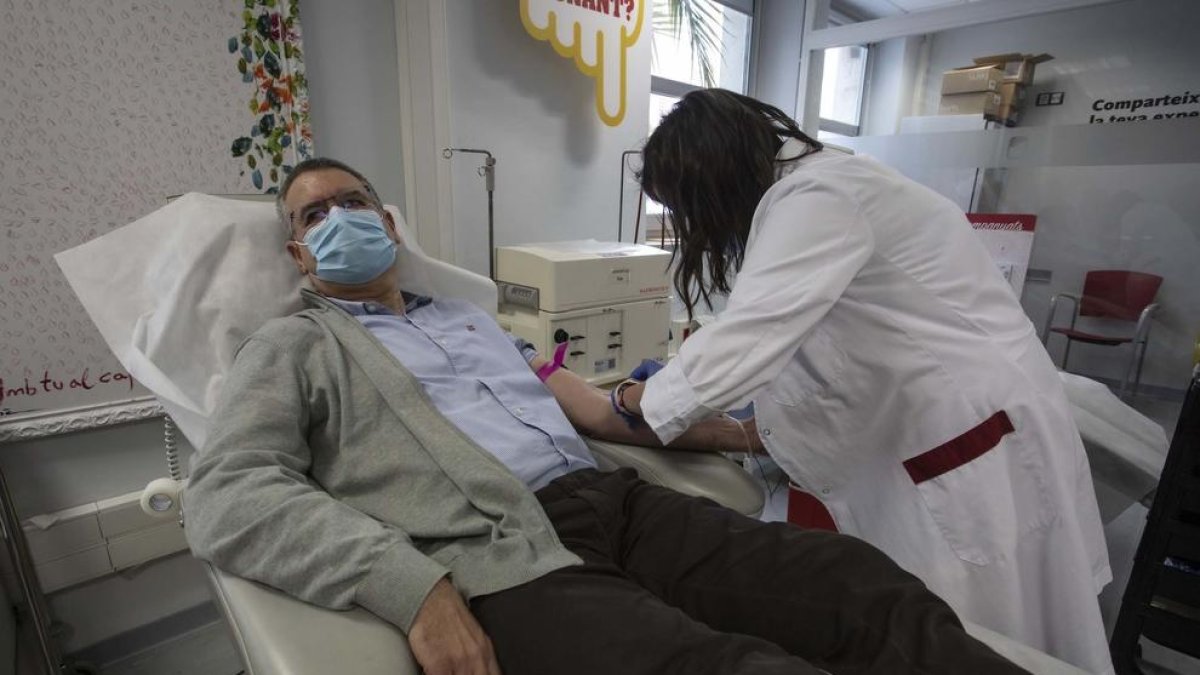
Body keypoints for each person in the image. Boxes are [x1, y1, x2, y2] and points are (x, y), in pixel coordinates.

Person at [184, 157, 1030, 675]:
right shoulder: (295, 346)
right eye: (313, 215)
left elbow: (591, 409)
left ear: (389, 221)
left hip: (618, 503)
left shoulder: (472, 321)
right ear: (299, 251)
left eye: (353, 200)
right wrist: (410, 587)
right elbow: (227, 493)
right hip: (500, 556)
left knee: (862, 586)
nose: (338, 219)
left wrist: (738, 433)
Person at [618, 89, 1113, 674]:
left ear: (715, 174)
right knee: (985, 629)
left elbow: (752, 334)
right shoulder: (826, 186)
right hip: (959, 414)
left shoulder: (820, 194)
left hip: (966, 435)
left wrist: (632, 399)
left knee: (987, 636)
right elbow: (818, 334)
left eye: (691, 205)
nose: (698, 224)